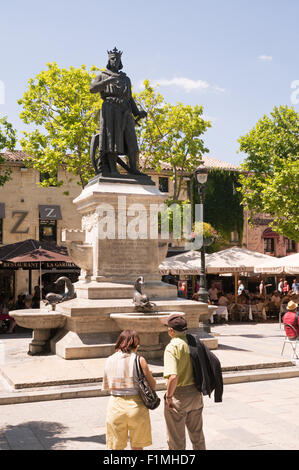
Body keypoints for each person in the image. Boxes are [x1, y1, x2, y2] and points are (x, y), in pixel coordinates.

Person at [89, 48, 147, 175]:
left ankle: (134, 169)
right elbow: (92, 88)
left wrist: (137, 112)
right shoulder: (102, 75)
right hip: (110, 109)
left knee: (131, 140)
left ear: (120, 61)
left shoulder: (125, 79)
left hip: (125, 111)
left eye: (117, 59)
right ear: (109, 61)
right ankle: (112, 169)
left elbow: (130, 98)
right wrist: (106, 82)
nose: (115, 61)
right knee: (111, 139)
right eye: (112, 59)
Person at [102, 329, 155, 450]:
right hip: (136, 406)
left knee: (116, 447)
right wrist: (149, 374)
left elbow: (107, 386)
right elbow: (152, 385)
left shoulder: (109, 359)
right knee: (137, 447)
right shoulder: (139, 360)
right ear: (136, 345)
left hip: (115, 406)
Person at [160, 314, 206, 450]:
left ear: (171, 331)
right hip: (196, 394)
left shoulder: (172, 347)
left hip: (178, 396)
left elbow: (173, 376)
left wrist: (169, 397)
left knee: (176, 441)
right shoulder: (193, 342)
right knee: (198, 437)